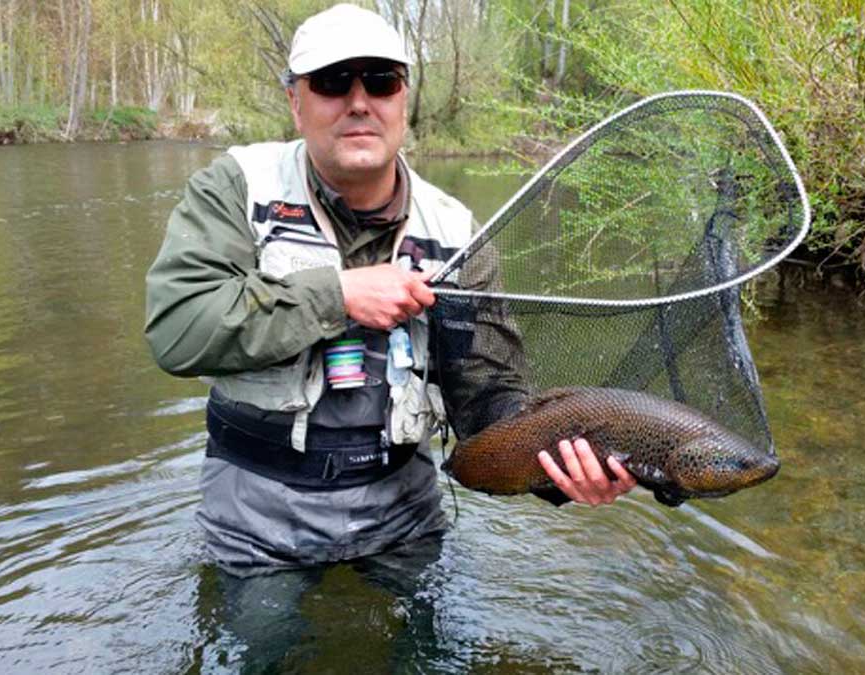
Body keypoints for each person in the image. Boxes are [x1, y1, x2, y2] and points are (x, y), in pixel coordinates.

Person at [144, 3, 635, 574]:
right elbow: (178, 331)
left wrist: (564, 471)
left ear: (404, 100)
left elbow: (488, 397)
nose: (359, 102)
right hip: (257, 524)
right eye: (331, 82)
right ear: (294, 102)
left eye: (381, 81)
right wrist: (336, 296)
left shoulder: (454, 230)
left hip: (404, 519)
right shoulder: (235, 187)